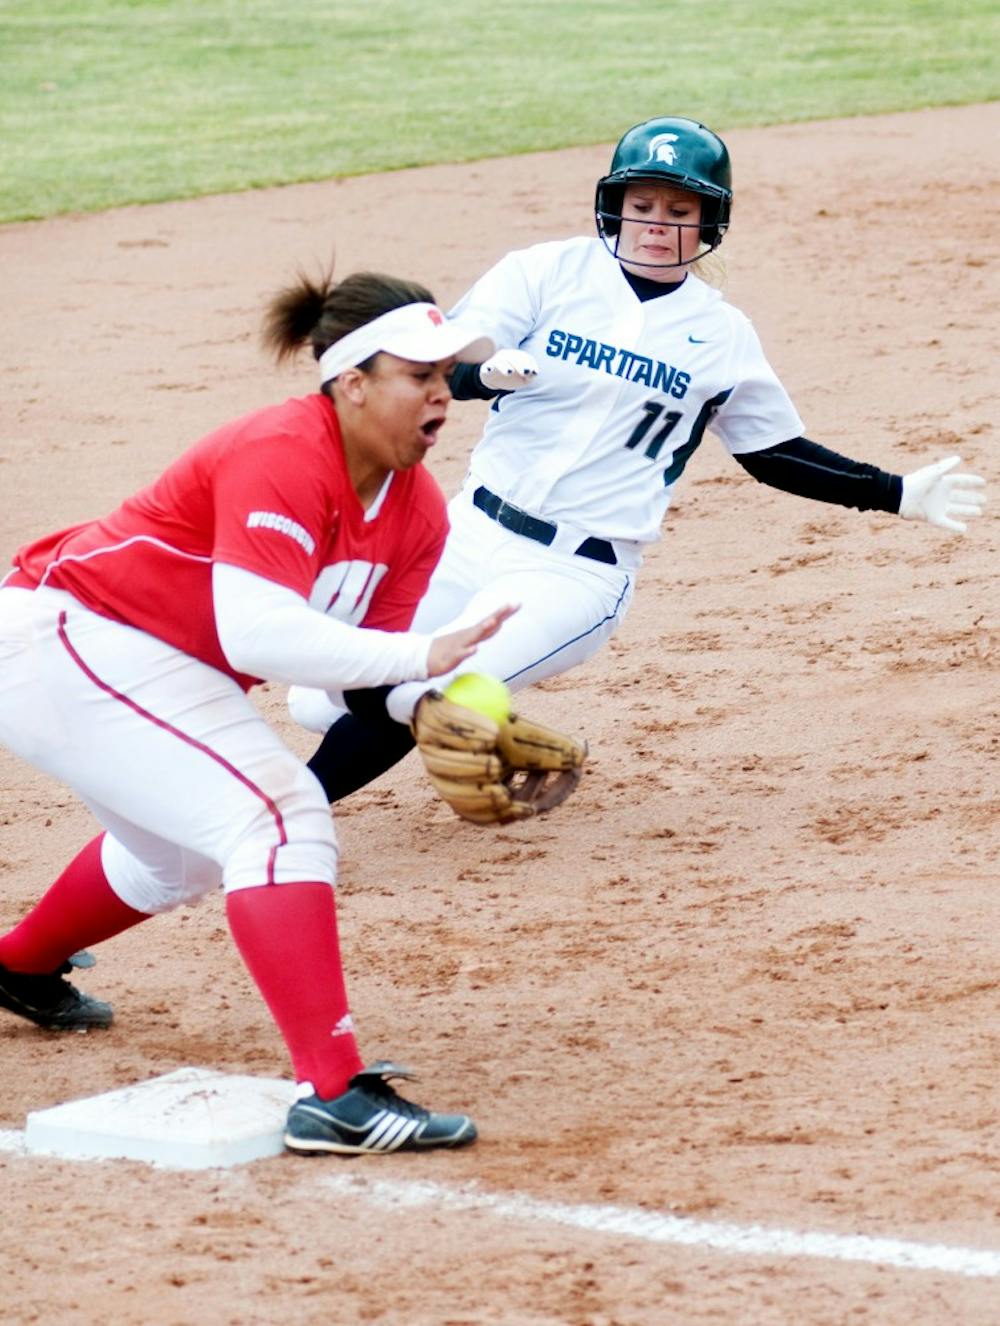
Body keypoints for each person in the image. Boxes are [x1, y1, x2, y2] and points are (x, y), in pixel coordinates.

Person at [295, 115, 986, 808]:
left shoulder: (720, 334)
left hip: (573, 573)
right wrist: (484, 370)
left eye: (679, 210)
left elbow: (771, 452)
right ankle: (449, 715)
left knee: (432, 690)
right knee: (328, 696)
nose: (657, 222)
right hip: (466, 534)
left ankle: (283, 814)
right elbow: (449, 362)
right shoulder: (546, 272)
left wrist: (892, 491)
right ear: (615, 205)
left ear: (709, 219)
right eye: (643, 204)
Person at [0, 266, 518, 1156]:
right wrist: (420, 659)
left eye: (447, 377)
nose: (443, 395)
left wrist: (429, 706)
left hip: (147, 661)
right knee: (279, 818)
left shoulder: (416, 511)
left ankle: (18, 965)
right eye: (419, 376)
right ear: (350, 383)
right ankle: (333, 1092)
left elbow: (347, 677)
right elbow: (259, 636)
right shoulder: (283, 451)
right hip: (65, 636)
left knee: (182, 859)